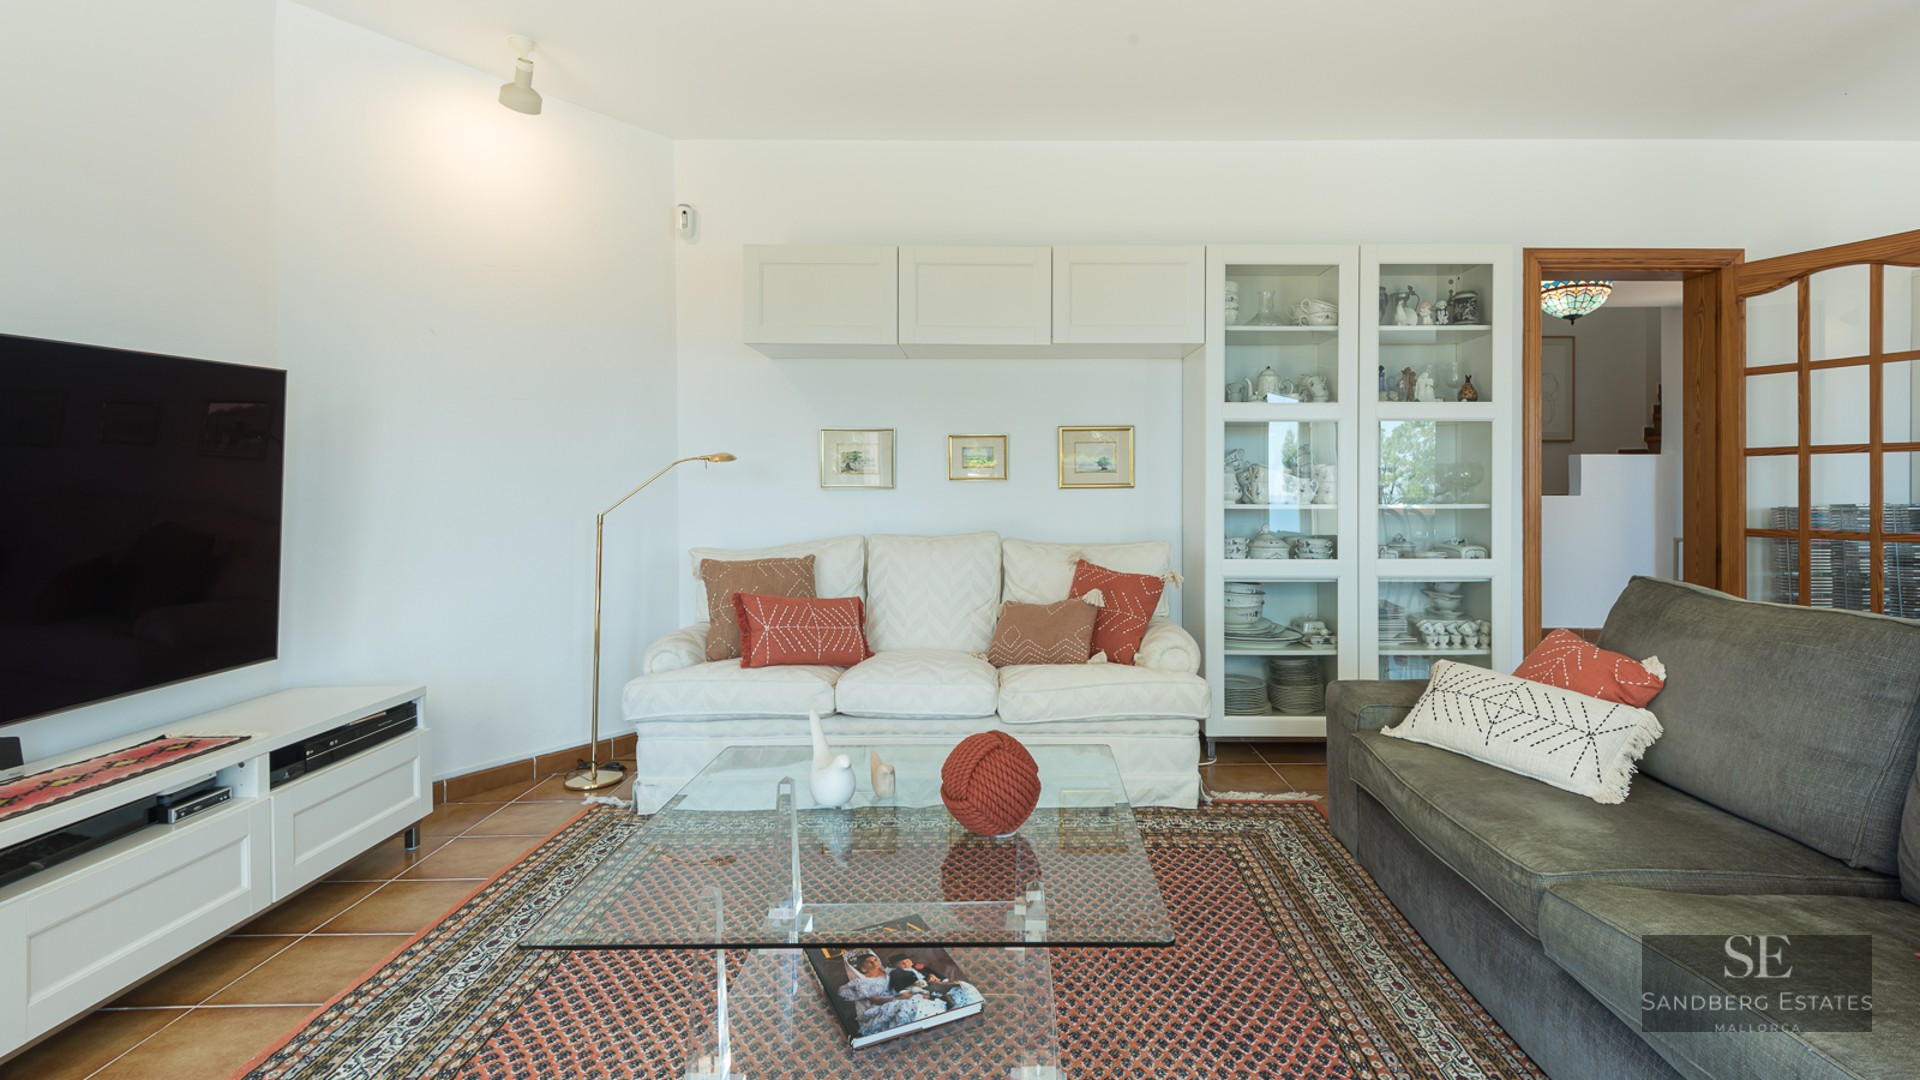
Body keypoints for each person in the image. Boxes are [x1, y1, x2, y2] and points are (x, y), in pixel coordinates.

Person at [836, 951, 947, 1037]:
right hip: (886, 1001)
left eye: (875, 960)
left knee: (925, 998)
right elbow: (877, 1000)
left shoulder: (889, 971)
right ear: (863, 968)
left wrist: (929, 975)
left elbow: (908, 974)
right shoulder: (864, 982)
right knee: (907, 1005)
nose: (875, 962)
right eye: (870, 962)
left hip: (904, 994)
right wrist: (896, 997)